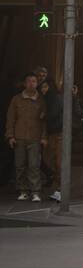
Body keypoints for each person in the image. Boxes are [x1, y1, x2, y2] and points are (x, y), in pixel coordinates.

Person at [5, 71, 47, 202]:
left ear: (37, 83)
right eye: (28, 81)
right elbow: (10, 118)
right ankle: (23, 190)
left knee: (34, 165)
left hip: (35, 137)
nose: (31, 84)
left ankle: (35, 191)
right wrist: (10, 135)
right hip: (19, 136)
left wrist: (44, 137)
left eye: (34, 81)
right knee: (20, 165)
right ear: (24, 83)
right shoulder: (16, 99)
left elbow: (45, 120)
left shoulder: (41, 100)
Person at [39, 77, 64, 201]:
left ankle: (60, 189)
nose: (42, 89)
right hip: (54, 133)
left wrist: (43, 115)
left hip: (57, 133)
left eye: (45, 87)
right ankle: (57, 189)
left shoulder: (53, 98)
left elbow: (53, 114)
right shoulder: (53, 97)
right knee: (53, 160)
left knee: (57, 161)